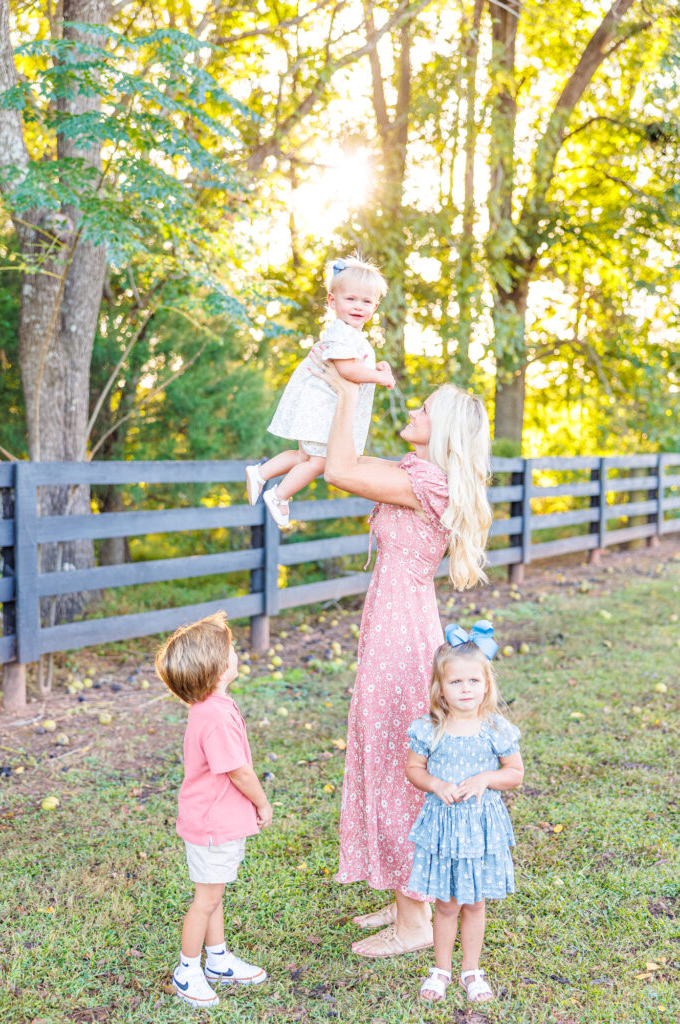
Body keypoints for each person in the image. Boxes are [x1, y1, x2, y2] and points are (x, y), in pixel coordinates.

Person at [307, 351, 493, 958]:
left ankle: (414, 923)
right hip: (392, 622)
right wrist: (352, 384)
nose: (413, 409)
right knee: (386, 750)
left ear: (442, 433)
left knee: (397, 760)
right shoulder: (416, 472)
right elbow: (352, 461)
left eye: (424, 408)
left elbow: (338, 470)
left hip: (402, 632)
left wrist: (344, 392)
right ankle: (404, 892)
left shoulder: (428, 482)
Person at [155, 612, 273, 1009]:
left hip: (214, 822)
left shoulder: (212, 706)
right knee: (205, 900)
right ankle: (188, 969)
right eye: (232, 649)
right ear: (218, 667)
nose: (237, 653)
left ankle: (218, 960)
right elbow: (238, 771)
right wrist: (262, 801)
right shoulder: (216, 716)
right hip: (212, 826)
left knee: (214, 894)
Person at [405, 622, 524, 1004]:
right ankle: (440, 970)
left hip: (481, 828)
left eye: (474, 680)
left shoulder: (495, 728)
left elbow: (515, 774)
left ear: (487, 684)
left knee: (474, 903)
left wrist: (487, 778)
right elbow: (414, 770)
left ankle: (471, 971)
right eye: (457, 682)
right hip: (444, 827)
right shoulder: (430, 729)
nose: (467, 689)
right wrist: (436, 785)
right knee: (445, 903)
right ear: (440, 688)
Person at [245, 255, 395, 528]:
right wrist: (380, 377)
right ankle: (279, 496)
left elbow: (356, 367)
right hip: (323, 408)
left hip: (319, 406)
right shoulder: (342, 332)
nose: (358, 306)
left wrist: (376, 368)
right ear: (332, 300)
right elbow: (349, 371)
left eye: (366, 301)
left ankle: (260, 472)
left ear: (376, 305)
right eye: (351, 299)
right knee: (320, 462)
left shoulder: (351, 335)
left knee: (304, 457)